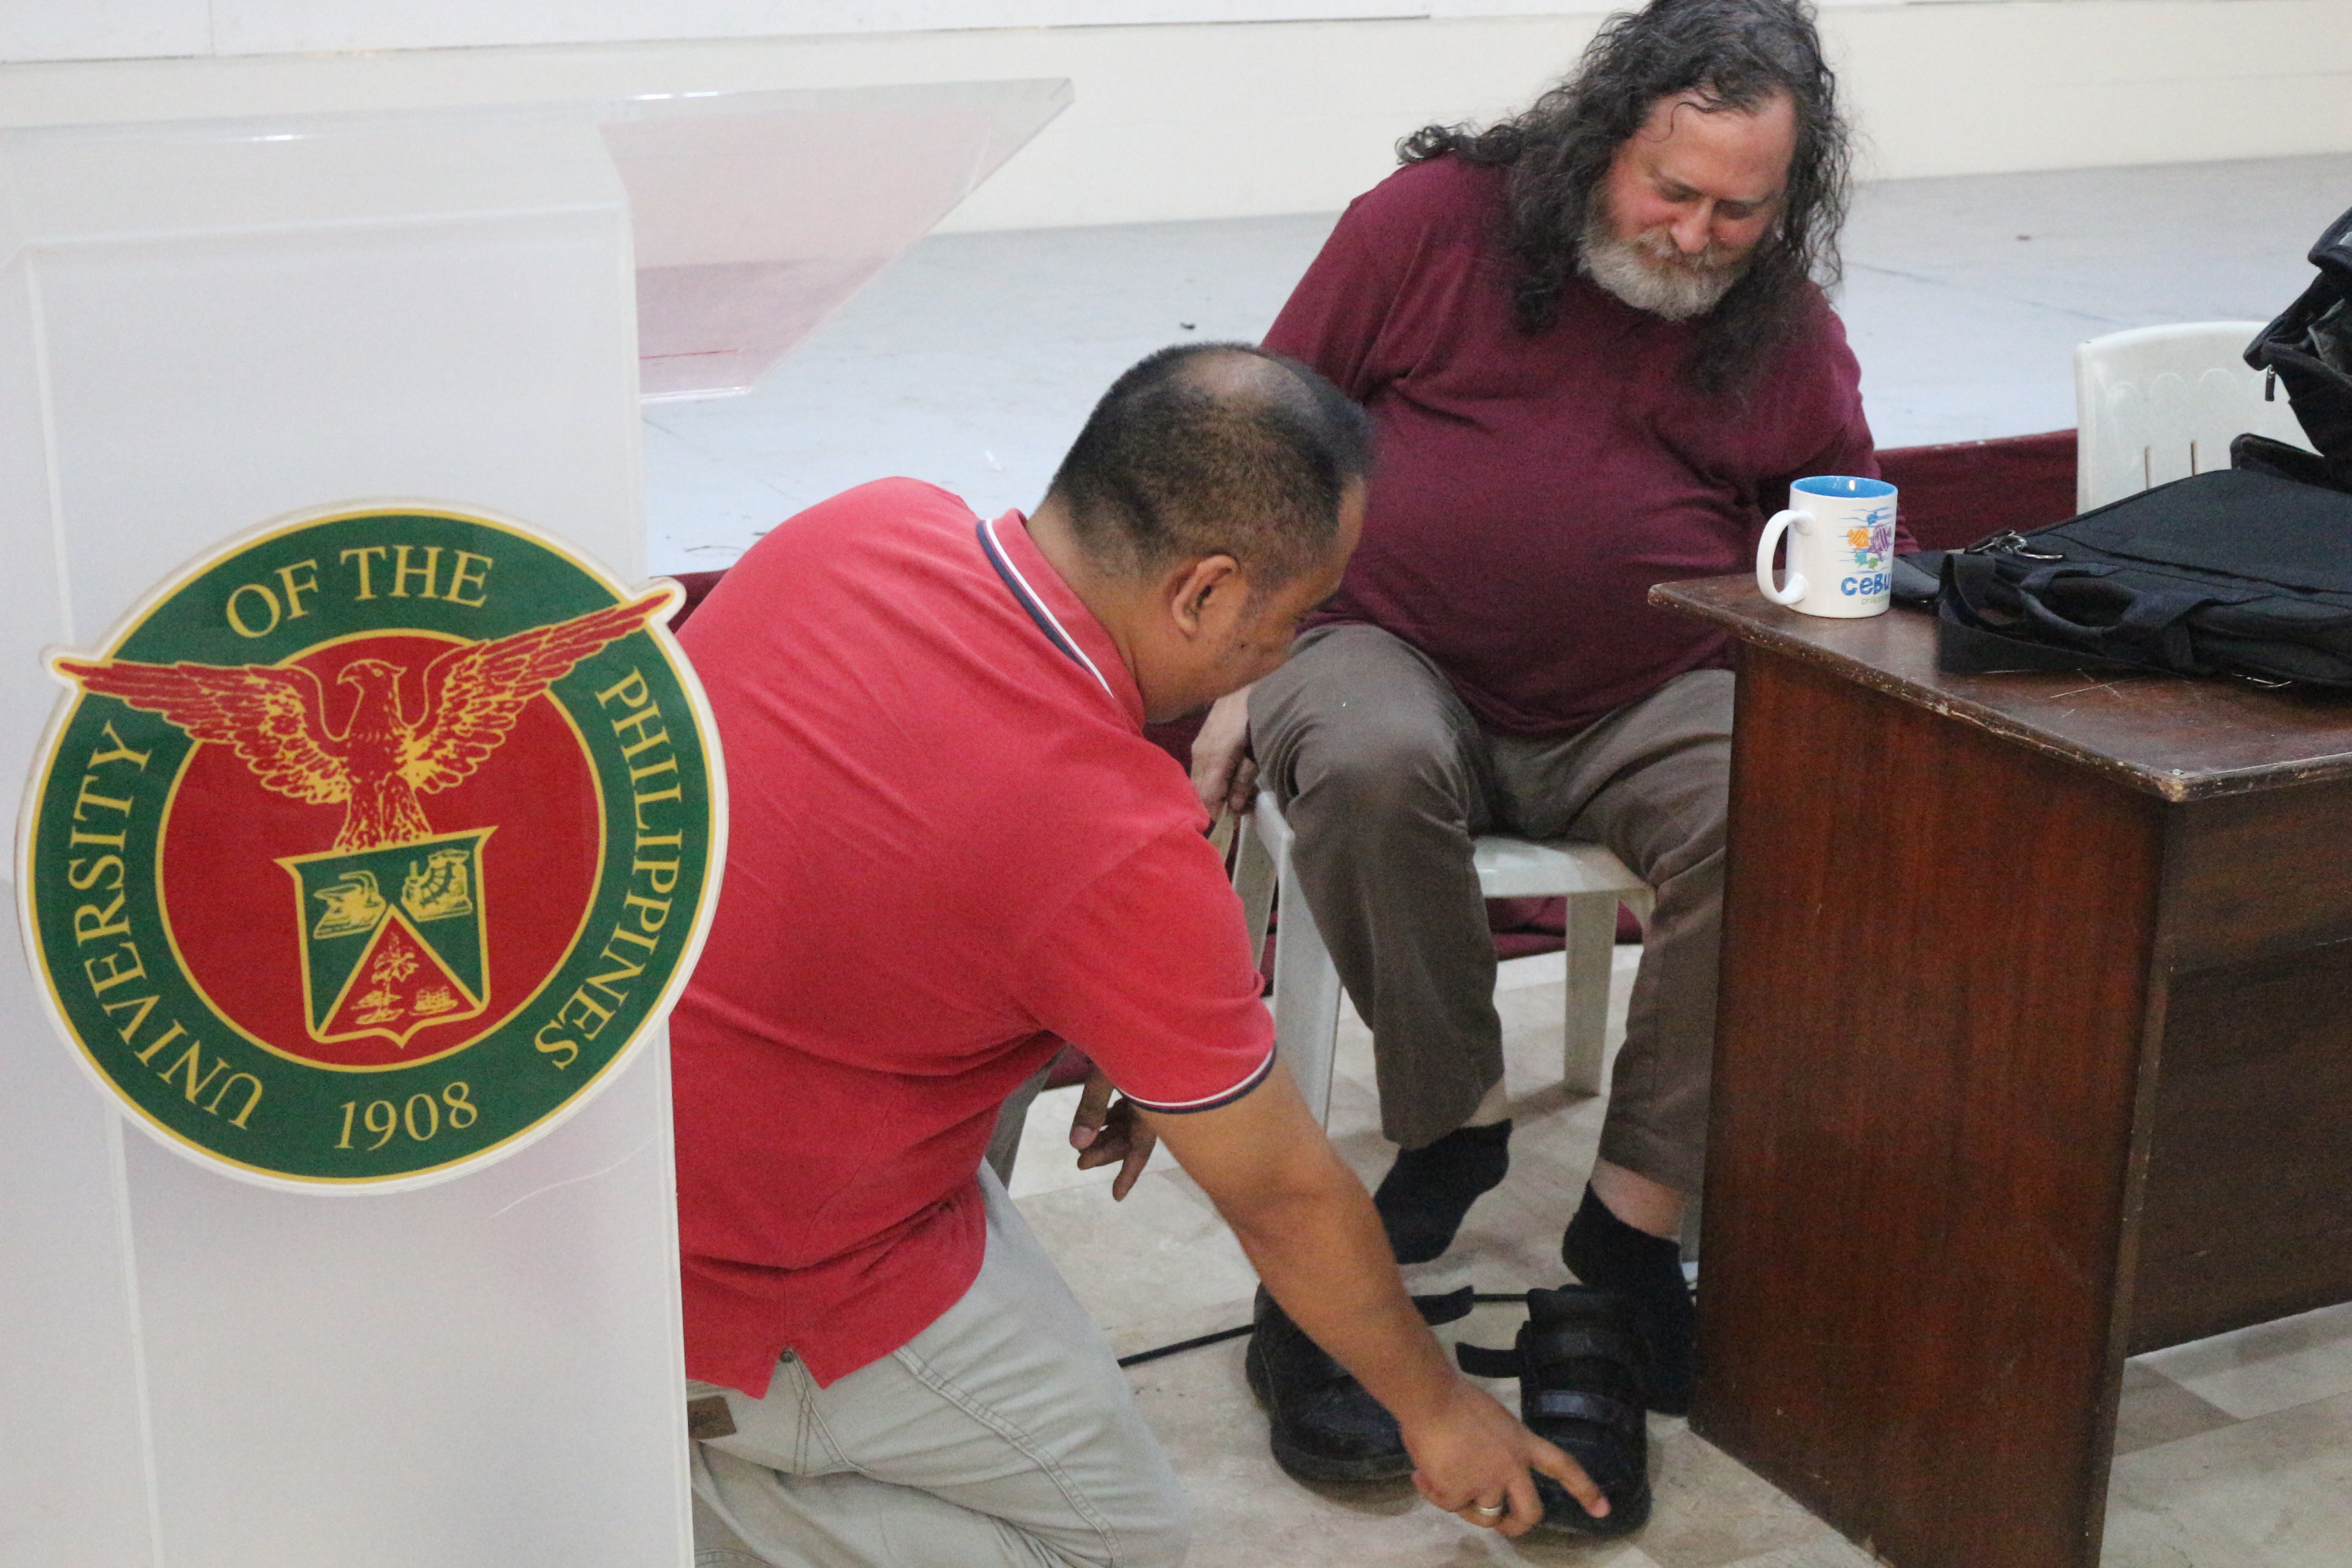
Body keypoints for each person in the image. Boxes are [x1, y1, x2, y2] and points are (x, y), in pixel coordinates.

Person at [669, 343, 1607, 1568]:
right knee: (1119, 1544)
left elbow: (891, 848)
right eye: (1295, 616)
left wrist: (1115, 1004)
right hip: (752, 1287)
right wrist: (1439, 1411)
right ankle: (675, 1492)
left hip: (610, 1165)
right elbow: (1280, 1192)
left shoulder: (864, 526)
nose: (1286, 654)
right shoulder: (1112, 842)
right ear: (1204, 593)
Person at [1189, 0, 1878, 1479]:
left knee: (1787, 812)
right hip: (1387, 644)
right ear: (1601, 141)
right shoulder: (1429, 226)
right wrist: (1236, 663)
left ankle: (1630, 1222)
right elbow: (1265, 434)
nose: (1696, 237)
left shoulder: (1783, 326)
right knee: (1368, 762)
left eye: (1740, 212)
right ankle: (1453, 1120)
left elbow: (1844, 535)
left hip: (1649, 687)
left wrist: (1839, 661)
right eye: (1671, 191)